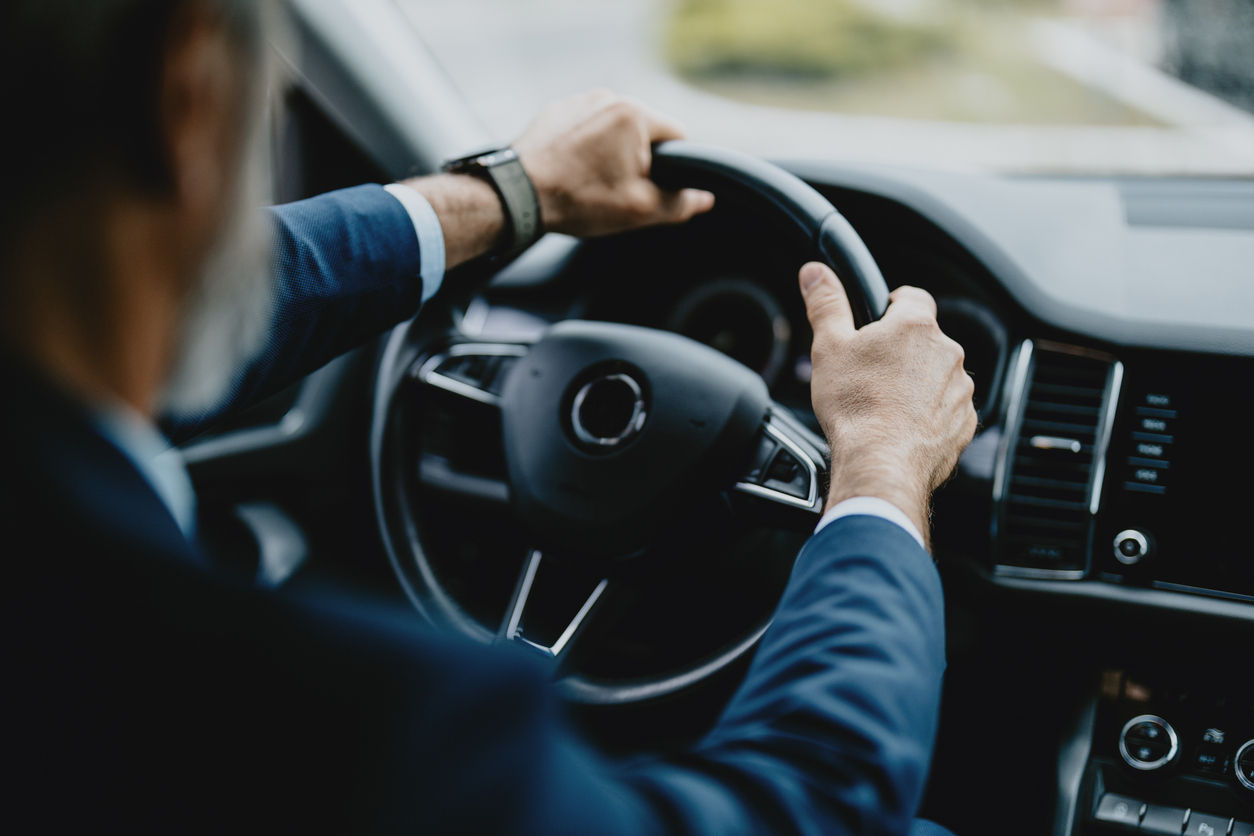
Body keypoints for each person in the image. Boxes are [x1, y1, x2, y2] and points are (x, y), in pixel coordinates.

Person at [0, 1, 976, 833]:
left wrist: (518, 192)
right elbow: (805, 805)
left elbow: (223, 291)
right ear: (189, 94)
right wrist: (882, 465)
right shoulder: (362, 729)